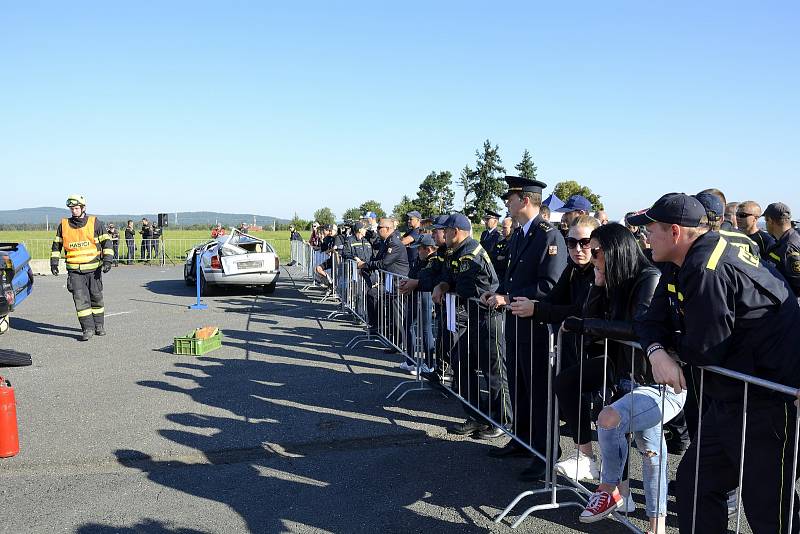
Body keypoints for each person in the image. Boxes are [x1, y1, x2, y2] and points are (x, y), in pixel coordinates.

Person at [632, 193, 800, 534]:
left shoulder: (706, 267)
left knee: (768, 509)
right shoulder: (681, 260)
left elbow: (705, 349)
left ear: (676, 232)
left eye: (651, 229)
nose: (645, 237)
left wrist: (671, 348)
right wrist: (656, 351)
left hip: (767, 400)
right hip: (731, 397)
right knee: (696, 483)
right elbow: (652, 319)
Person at [569, 224, 683, 534]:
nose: (589, 257)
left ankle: (610, 490)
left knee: (612, 421)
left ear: (614, 250)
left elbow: (638, 328)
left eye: (595, 252)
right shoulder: (612, 281)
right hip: (629, 379)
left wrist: (591, 323)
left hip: (658, 384)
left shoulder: (649, 278)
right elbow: (590, 322)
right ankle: (656, 526)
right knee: (651, 451)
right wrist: (597, 283)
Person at [480, 176, 567, 481]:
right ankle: (523, 441)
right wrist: (498, 292)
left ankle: (546, 454)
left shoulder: (548, 236)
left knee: (540, 393)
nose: (507, 202)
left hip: (539, 327)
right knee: (518, 385)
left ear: (526, 200)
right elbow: (512, 276)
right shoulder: (520, 234)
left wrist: (510, 296)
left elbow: (550, 285)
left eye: (511, 198)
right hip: (517, 322)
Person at [507, 215, 600, 477]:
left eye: (585, 242)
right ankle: (558, 456)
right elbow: (555, 298)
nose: (578, 249)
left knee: (612, 424)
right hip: (573, 346)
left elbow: (580, 308)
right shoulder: (573, 268)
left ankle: (617, 490)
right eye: (571, 242)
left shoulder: (599, 269)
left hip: (600, 353)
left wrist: (537, 309)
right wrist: (537, 308)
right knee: (564, 398)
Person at [433, 213, 511, 439]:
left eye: (446, 231)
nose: (443, 235)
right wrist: (443, 283)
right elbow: (449, 276)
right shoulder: (458, 251)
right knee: (460, 359)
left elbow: (465, 286)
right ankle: (478, 415)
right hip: (475, 317)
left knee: (494, 372)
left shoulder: (470, 253)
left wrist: (446, 284)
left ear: (455, 232)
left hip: (489, 318)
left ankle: (502, 422)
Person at [50, 194, 113, 341]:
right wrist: (53, 263)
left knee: (96, 299)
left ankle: (99, 326)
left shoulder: (94, 222)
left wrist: (108, 261)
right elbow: (56, 246)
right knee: (80, 301)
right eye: (72, 208)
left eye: (76, 208)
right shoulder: (64, 225)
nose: (74, 211)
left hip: (94, 270)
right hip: (75, 272)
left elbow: (107, 242)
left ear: (83, 208)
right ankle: (87, 329)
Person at [358, 218, 409, 340]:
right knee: (391, 311)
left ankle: (401, 342)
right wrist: (366, 266)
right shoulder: (386, 242)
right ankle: (393, 339)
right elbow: (377, 259)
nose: (377, 229)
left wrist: (365, 265)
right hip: (390, 281)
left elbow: (384, 263)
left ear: (388, 229)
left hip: (399, 282)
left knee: (398, 314)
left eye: (379, 228)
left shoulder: (394, 243)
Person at [764, 202, 800, 297]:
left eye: (766, 221)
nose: (766, 224)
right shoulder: (786, 240)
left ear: (771, 221)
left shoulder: (789, 247)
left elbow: (797, 283)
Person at [489, 216, 514, 283]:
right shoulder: (501, 242)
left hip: (505, 279)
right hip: (496, 276)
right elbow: (491, 256)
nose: (502, 229)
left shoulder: (514, 244)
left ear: (512, 228)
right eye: (502, 227)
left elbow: (506, 262)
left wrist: (499, 258)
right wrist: (497, 257)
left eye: (505, 228)